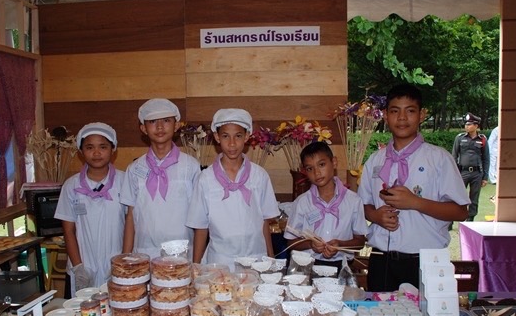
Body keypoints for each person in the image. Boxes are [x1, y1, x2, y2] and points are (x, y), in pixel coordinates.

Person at [358, 84, 469, 292]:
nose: (402, 118)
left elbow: (461, 211)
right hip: (381, 259)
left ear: (422, 115)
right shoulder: (375, 160)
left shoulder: (438, 159)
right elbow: (363, 204)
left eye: (410, 111)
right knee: (380, 312)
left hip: (425, 261)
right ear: (385, 116)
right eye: (394, 111)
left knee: (424, 312)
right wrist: (375, 216)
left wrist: (416, 203)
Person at [186, 108, 280, 270]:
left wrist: (270, 258)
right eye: (225, 136)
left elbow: (264, 221)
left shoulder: (259, 175)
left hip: (255, 258)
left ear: (247, 136)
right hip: (220, 261)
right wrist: (196, 266)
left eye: (238, 136)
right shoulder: (205, 179)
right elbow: (201, 227)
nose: (232, 143)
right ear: (217, 137)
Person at [121, 98, 200, 258]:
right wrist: (126, 257)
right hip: (144, 253)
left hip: (182, 253)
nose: (159, 127)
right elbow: (130, 216)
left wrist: (197, 261)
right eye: (152, 121)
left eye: (166, 120)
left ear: (176, 125)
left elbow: (199, 215)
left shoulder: (190, 166)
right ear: (143, 128)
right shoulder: (134, 169)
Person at [55, 122, 126, 297]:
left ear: (113, 149)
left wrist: (123, 262)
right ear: (81, 151)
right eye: (89, 147)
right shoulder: (71, 186)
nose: (96, 153)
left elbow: (132, 225)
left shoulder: (124, 182)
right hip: (83, 265)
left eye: (103, 147)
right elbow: (68, 230)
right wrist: (78, 268)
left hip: (116, 265)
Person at [283, 141, 368, 270]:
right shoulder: (302, 202)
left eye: (321, 165)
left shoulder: (353, 201)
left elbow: (360, 242)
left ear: (334, 162)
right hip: (308, 266)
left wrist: (340, 244)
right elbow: (290, 242)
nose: (317, 172)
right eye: (310, 168)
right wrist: (310, 244)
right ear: (304, 171)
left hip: (341, 266)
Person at [452, 112, 490, 221]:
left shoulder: (482, 139)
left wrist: (485, 177)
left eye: (469, 124)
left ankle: (470, 219)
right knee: (457, 196)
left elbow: (486, 159)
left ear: (476, 126)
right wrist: (454, 173)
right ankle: (452, 219)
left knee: (474, 198)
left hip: (477, 173)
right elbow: (454, 156)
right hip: (462, 172)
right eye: (466, 124)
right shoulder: (460, 138)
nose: (466, 126)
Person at [487, 126, 499, 202]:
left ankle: (497, 177)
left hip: (499, 150)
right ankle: (492, 179)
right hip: (493, 150)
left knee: (497, 165)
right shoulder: (496, 129)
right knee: (492, 165)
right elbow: (491, 140)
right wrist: (488, 151)